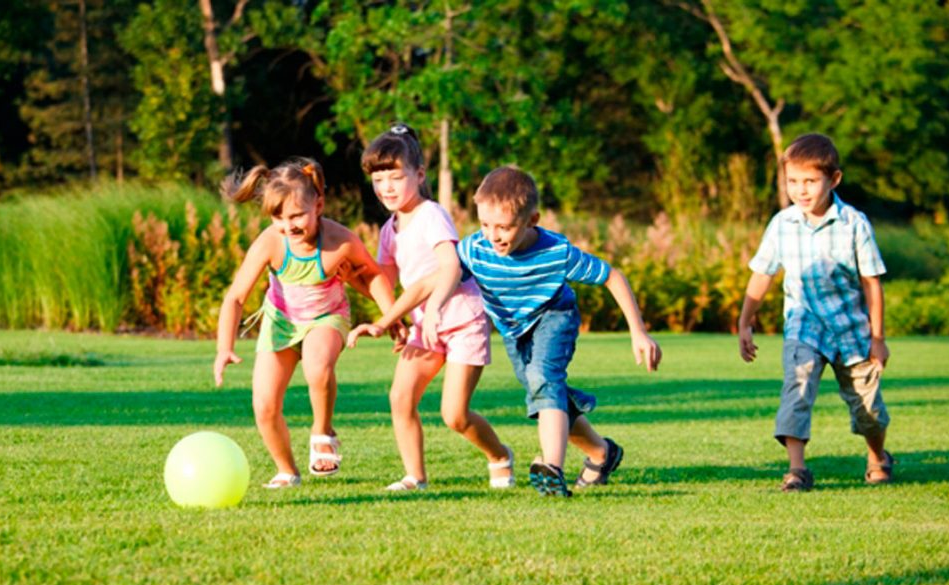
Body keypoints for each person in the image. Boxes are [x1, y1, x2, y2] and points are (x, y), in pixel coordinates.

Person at [354, 165, 661, 497]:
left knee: (544, 378)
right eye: (485, 224)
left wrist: (638, 332)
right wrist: (386, 321)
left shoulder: (556, 252)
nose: (493, 235)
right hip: (515, 330)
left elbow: (612, 276)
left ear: (532, 220)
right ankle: (602, 453)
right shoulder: (477, 249)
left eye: (504, 227)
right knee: (544, 393)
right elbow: (429, 282)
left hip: (554, 316)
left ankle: (552, 469)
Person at [346, 124, 514, 491]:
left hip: (461, 319)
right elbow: (384, 283)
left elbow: (450, 266)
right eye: (378, 179)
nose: (386, 187)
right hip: (426, 325)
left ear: (419, 175)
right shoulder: (389, 229)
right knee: (400, 396)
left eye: (395, 176)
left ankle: (499, 455)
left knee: (454, 415)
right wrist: (350, 280)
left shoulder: (431, 214)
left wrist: (433, 307)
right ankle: (415, 477)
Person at [214, 158, 397, 489]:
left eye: (297, 215)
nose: (289, 226)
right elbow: (236, 298)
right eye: (278, 217)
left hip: (327, 318)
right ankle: (287, 470)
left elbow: (373, 278)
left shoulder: (339, 241)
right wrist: (224, 347)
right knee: (264, 406)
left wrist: (392, 318)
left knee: (317, 367)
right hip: (281, 322)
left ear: (319, 204)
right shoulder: (272, 242)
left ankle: (322, 431)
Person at [738, 133, 892, 492]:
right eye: (793, 181)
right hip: (803, 325)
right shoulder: (782, 224)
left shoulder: (854, 223)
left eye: (810, 181)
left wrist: (878, 338)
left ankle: (877, 456)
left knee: (867, 409)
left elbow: (872, 283)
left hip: (851, 329)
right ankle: (797, 470)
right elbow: (763, 274)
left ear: (833, 179)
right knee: (798, 386)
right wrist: (746, 321)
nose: (801, 190)